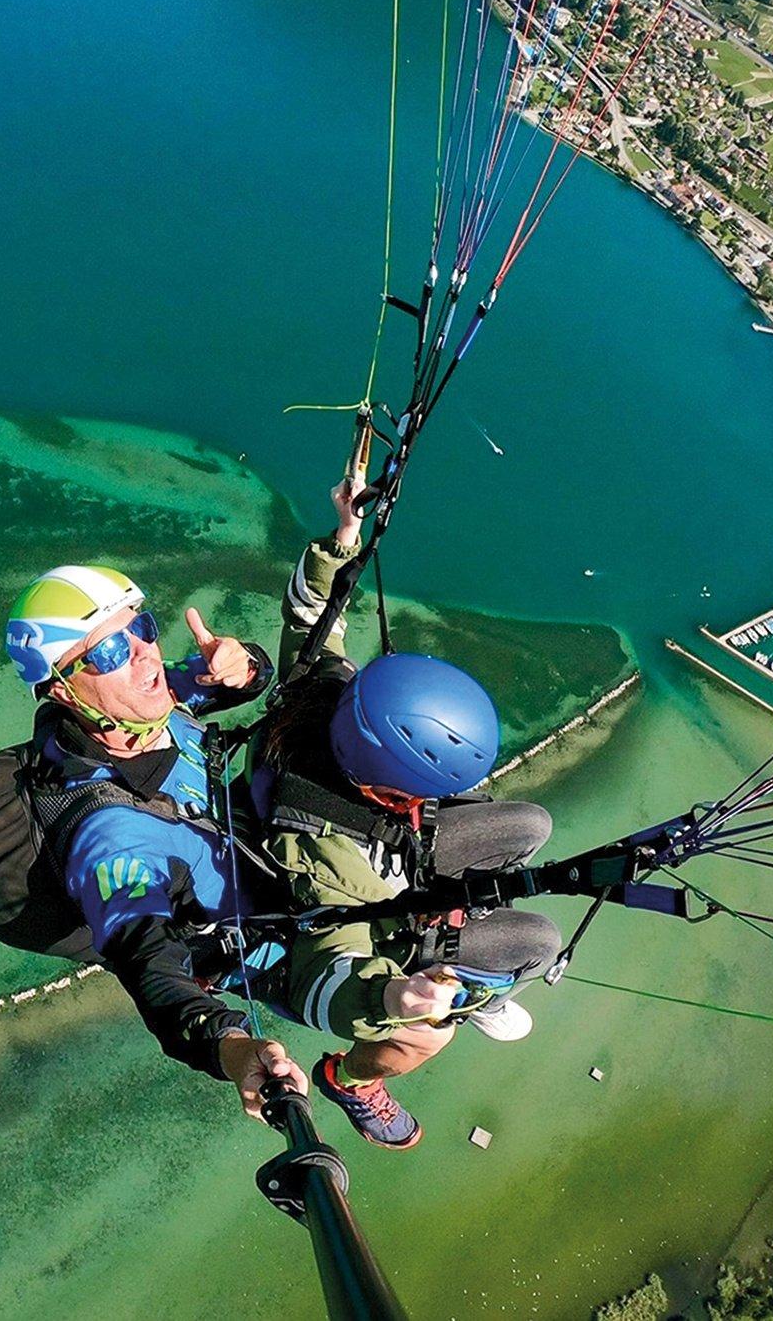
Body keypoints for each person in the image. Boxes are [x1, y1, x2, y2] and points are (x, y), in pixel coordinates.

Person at [248, 478, 562, 1149]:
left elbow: (312, 616)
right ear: (391, 791)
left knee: (531, 827)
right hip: (368, 928)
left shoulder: (323, 692)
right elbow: (321, 980)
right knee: (532, 945)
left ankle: (461, 960)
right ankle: (354, 1082)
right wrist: (394, 1000)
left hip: (388, 858)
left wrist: (343, 540)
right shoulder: (330, 861)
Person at [0, 563, 309, 1120]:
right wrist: (233, 1050)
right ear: (62, 690)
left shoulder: (144, 707)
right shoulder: (106, 834)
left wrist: (245, 665)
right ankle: (357, 1084)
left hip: (275, 851)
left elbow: (229, 681)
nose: (145, 655)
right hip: (276, 946)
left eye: (145, 628)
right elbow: (147, 963)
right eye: (111, 651)